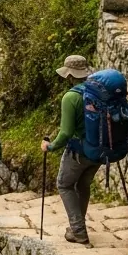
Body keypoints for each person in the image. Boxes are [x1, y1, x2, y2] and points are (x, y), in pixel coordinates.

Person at [41, 54, 97, 244]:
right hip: (100, 150)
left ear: (70, 75)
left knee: (64, 184)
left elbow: (65, 133)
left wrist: (51, 146)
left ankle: (78, 230)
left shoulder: (71, 97)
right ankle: (77, 225)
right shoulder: (97, 91)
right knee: (82, 185)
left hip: (79, 151)